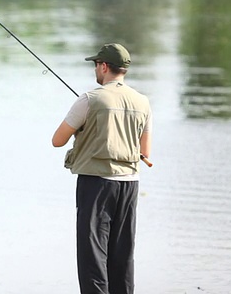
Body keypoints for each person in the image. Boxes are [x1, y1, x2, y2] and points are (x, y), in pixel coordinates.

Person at [52, 43, 152, 294]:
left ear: (104, 66)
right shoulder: (143, 102)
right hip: (129, 184)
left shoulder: (89, 99)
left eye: (96, 64)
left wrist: (83, 127)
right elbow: (146, 152)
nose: (95, 69)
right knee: (122, 254)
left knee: (93, 254)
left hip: (96, 183)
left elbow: (57, 140)